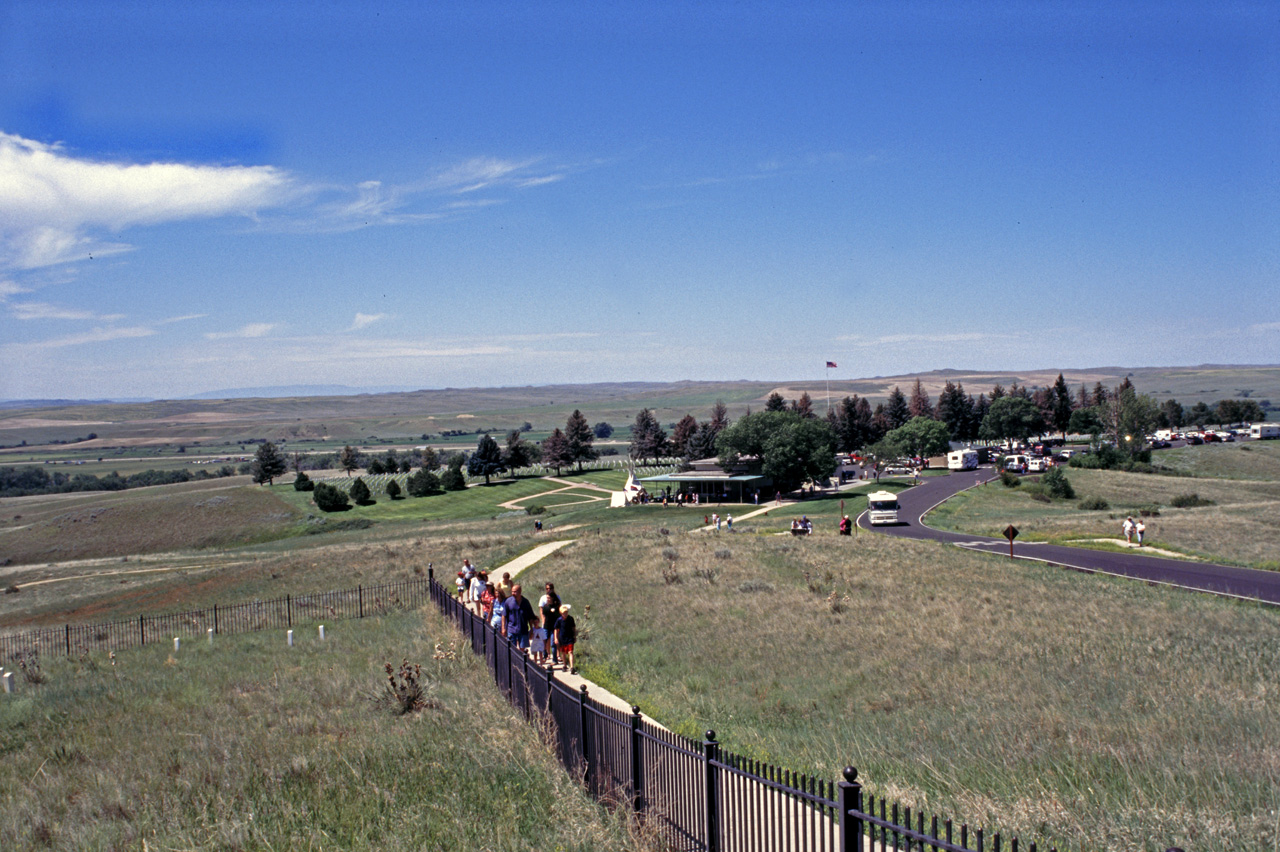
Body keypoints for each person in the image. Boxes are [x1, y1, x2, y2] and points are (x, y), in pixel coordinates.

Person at [501, 583, 536, 651]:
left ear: (520, 591)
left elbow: (530, 617)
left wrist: (531, 630)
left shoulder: (525, 602)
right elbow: (504, 615)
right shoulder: (508, 601)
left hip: (523, 629)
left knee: (522, 650)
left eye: (515, 591)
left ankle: (521, 661)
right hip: (511, 629)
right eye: (512, 591)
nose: (513, 593)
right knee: (512, 648)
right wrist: (503, 628)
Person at [539, 582, 562, 666]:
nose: (547, 599)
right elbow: (544, 612)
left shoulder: (556, 606)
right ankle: (544, 655)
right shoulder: (546, 606)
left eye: (549, 598)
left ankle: (555, 659)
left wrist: (554, 611)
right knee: (544, 641)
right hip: (546, 626)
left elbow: (558, 614)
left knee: (553, 643)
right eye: (547, 598)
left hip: (554, 627)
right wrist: (550, 611)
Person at [554, 604, 577, 673]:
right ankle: (564, 665)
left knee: (570, 652)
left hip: (570, 637)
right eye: (564, 613)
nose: (565, 614)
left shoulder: (570, 619)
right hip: (562, 638)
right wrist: (556, 638)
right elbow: (556, 629)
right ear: (561, 613)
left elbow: (573, 628)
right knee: (563, 652)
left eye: (566, 612)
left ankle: (572, 667)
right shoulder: (559, 620)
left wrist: (574, 636)